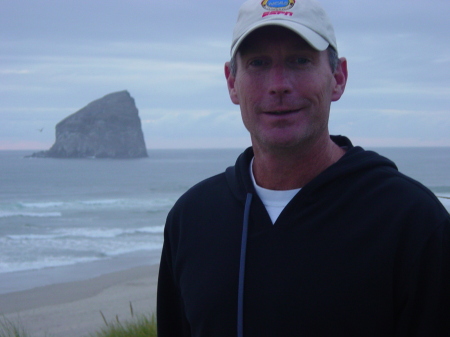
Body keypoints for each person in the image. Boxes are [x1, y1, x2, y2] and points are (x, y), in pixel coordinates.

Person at [157, 0, 450, 336]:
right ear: (231, 82)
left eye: (300, 61)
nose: (278, 84)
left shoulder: (412, 221)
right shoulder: (193, 219)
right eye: (258, 63)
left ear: (338, 77)